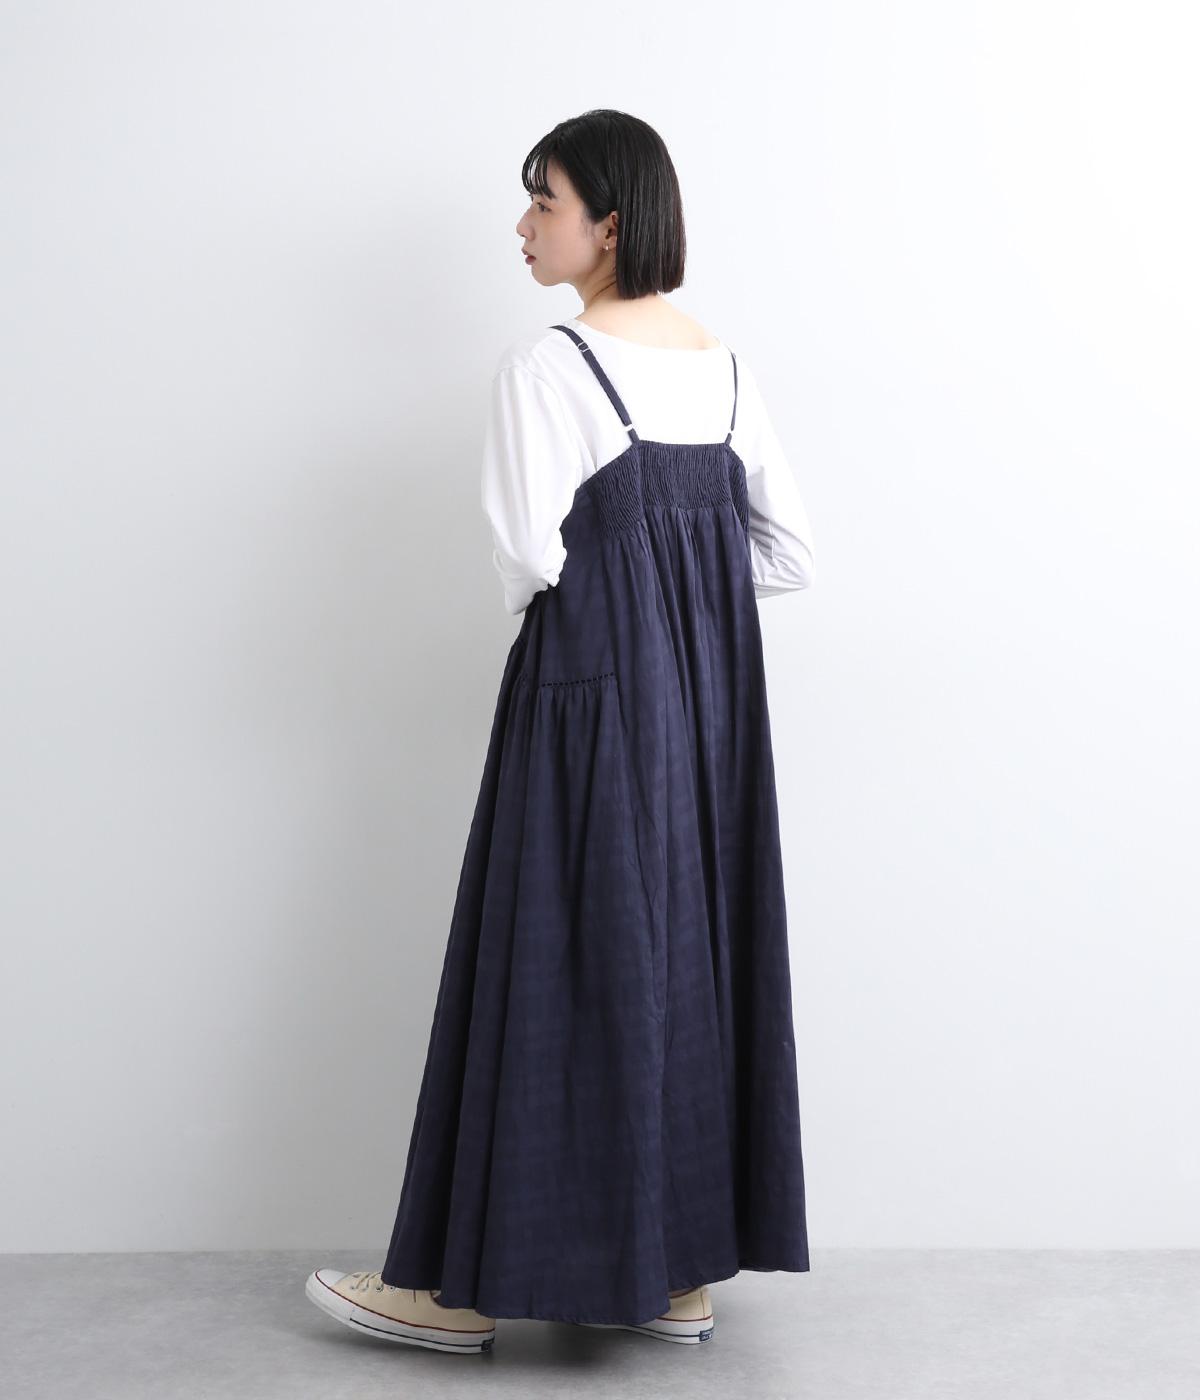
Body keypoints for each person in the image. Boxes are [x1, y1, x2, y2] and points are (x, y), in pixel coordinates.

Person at [306, 109, 815, 1355]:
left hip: (586, 691)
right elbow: (787, 555)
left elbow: (529, 556)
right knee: (686, 955)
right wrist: (684, 605)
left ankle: (460, 1289)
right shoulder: (725, 369)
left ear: (610, 226)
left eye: (545, 201)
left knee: (546, 958)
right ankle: (677, 1277)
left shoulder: (550, 368)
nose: (524, 225)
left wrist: (620, 601)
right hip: (708, 710)